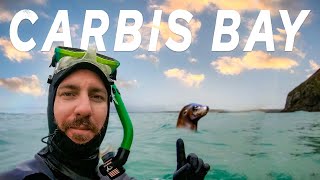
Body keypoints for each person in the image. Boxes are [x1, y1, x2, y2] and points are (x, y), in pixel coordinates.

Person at [0, 46, 210, 180]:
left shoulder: (111, 172)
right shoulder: (22, 177)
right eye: (69, 93)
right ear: (51, 104)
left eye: (97, 96)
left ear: (110, 109)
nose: (84, 108)